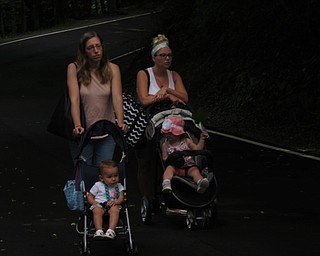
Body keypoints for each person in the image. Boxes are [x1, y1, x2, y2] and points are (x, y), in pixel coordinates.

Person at [135, 34, 189, 201]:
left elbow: (184, 99)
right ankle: (148, 197)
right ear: (154, 57)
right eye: (163, 55)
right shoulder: (144, 74)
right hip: (153, 119)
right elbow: (144, 100)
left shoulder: (174, 75)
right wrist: (167, 98)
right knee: (146, 158)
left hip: (173, 120)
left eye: (169, 55)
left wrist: (167, 90)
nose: (167, 59)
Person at [67, 31, 128, 166]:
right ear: (84, 51)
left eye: (98, 46)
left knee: (103, 175)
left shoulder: (113, 69)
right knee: (84, 175)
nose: (96, 51)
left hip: (106, 131)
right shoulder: (74, 68)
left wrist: (120, 122)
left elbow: (117, 98)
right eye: (90, 48)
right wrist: (77, 125)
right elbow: (74, 99)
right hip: (84, 132)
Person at [161, 115, 209, 194]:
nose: (167, 135)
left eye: (170, 133)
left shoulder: (186, 141)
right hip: (175, 168)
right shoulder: (165, 145)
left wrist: (202, 140)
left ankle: (200, 182)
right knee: (168, 170)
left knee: (195, 171)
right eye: (166, 133)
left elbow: (197, 150)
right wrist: (171, 158)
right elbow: (164, 158)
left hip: (188, 167)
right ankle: (166, 183)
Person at [87, 160, 124, 239]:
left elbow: (121, 197)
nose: (114, 179)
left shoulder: (119, 186)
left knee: (115, 210)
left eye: (116, 175)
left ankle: (111, 231)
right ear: (101, 178)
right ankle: (99, 230)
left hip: (112, 205)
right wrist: (93, 202)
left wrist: (116, 201)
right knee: (96, 210)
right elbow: (90, 196)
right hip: (99, 205)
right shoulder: (98, 185)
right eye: (110, 177)